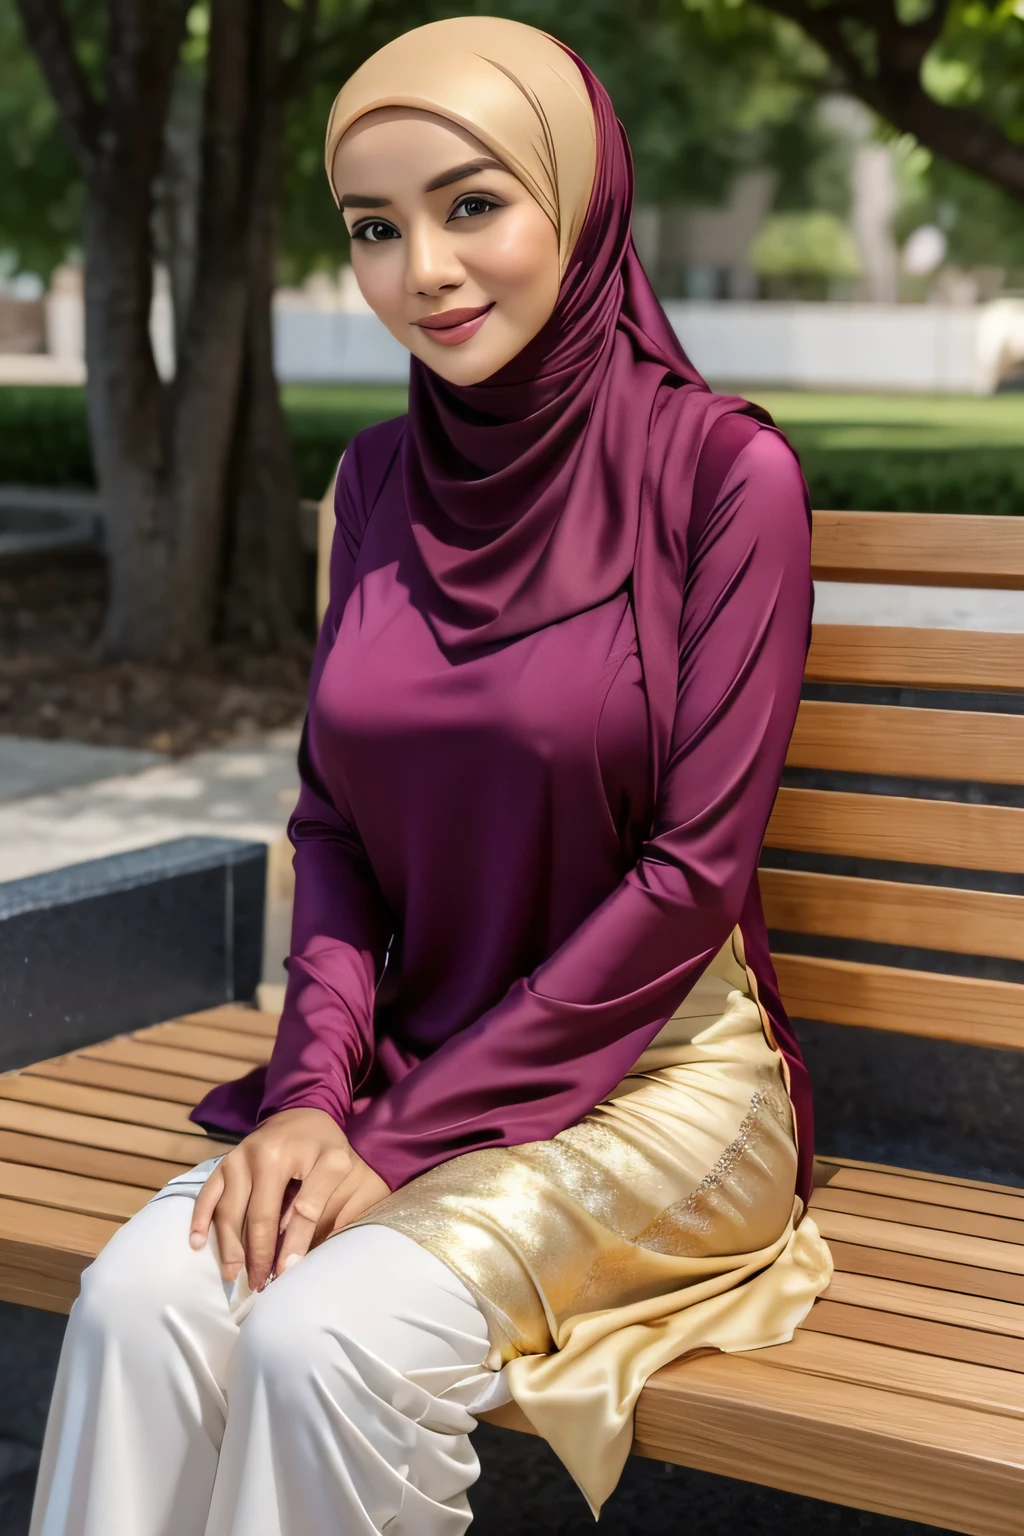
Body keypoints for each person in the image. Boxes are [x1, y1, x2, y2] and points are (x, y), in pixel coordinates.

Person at [29, 17, 833, 1536]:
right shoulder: (378, 483)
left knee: (327, 1337)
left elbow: (692, 876)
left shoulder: (728, 479)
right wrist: (315, 1091)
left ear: (581, 197)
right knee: (142, 1305)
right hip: (409, 1057)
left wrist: (382, 1146)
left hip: (663, 1083)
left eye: (474, 205)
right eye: (376, 230)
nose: (427, 271)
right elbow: (332, 822)